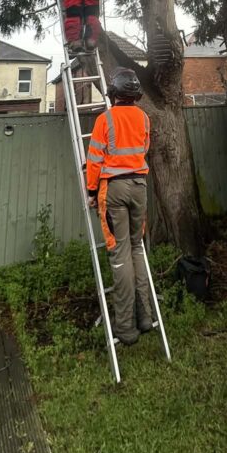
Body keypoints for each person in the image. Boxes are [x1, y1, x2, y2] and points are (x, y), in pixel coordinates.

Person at [86, 68, 154, 346]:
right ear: (135, 95)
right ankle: (145, 317)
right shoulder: (145, 118)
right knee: (137, 247)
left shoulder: (105, 120)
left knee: (120, 254)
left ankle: (125, 327)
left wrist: (92, 191)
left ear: (113, 94)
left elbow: (94, 160)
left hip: (114, 191)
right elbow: (144, 149)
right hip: (140, 188)